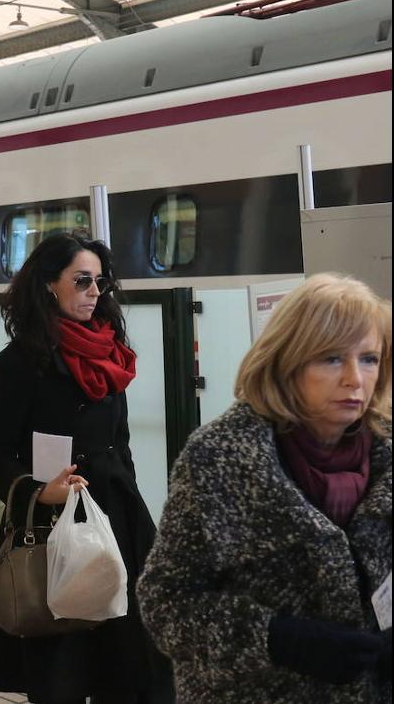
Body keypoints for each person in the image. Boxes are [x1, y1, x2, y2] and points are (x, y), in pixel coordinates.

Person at [138, 274, 391, 703]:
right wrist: (276, 638)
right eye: (330, 359)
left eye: (368, 359)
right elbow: (166, 602)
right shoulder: (219, 459)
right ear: (286, 363)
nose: (354, 379)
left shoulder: (386, 455)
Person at [0, 232, 172, 704]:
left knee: (136, 668)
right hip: (53, 532)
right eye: (81, 281)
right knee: (62, 672)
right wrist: (39, 492)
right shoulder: (19, 363)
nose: (94, 292)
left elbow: (118, 444)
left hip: (119, 523)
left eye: (99, 282)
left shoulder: (111, 356)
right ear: (48, 285)